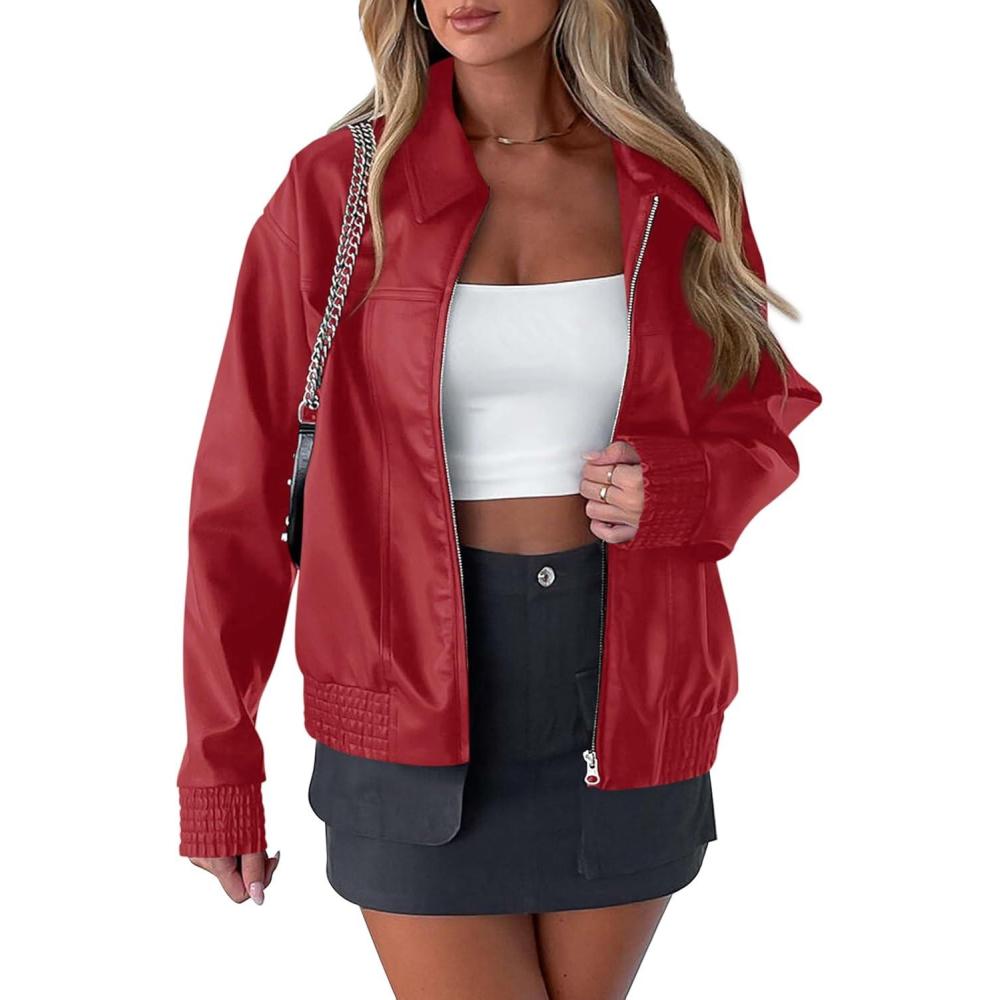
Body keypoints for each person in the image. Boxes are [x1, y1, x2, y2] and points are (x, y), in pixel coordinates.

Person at [176, 1, 822, 996]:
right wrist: (219, 764)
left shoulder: (674, 181)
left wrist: (680, 489)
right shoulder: (338, 188)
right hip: (397, 687)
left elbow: (760, 413)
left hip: (629, 690)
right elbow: (239, 496)